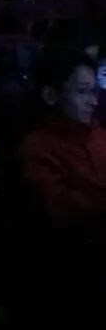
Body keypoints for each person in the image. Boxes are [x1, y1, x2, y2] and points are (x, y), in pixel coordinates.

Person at [18, 49, 106, 227]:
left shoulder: (99, 134)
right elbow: (60, 209)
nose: (93, 101)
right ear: (50, 95)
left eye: (94, 92)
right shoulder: (37, 148)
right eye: (83, 92)